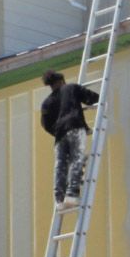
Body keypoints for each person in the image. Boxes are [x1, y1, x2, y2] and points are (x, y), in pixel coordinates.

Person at [40, 70, 99, 210]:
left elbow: (45, 124)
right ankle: (72, 194)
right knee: (76, 160)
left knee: (60, 165)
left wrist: (58, 131)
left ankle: (59, 199)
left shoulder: (46, 103)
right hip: (75, 128)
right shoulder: (71, 88)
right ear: (61, 81)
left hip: (60, 135)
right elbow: (91, 98)